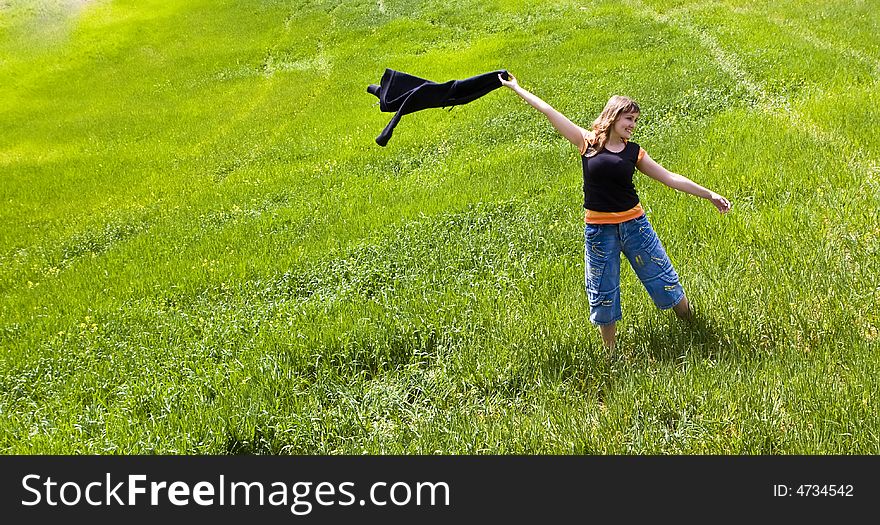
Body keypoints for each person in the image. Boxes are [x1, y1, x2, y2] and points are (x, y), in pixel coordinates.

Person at [498, 73, 731, 350]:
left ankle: (694, 327)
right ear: (613, 116)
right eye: (628, 119)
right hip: (599, 232)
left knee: (662, 275)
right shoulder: (588, 143)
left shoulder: (634, 152)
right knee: (603, 290)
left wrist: (709, 194)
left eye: (635, 120)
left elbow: (669, 177)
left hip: (636, 227)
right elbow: (550, 111)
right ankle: (610, 354)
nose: (632, 125)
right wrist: (517, 88)